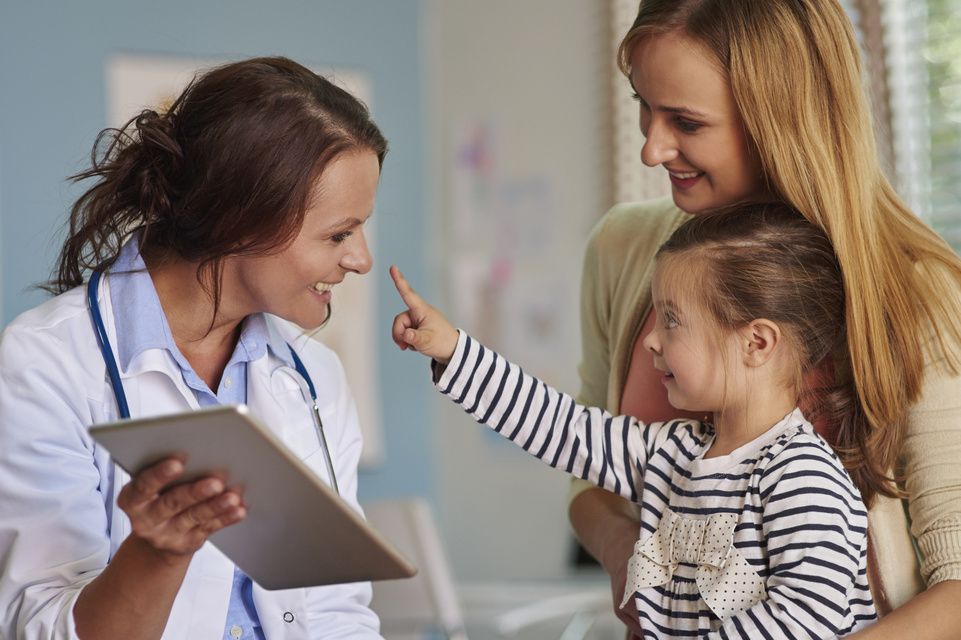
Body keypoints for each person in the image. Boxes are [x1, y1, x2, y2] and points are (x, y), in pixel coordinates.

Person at [568, 1, 961, 638]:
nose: (651, 148)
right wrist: (625, 552)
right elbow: (590, 484)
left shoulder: (915, 291)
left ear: (780, 120)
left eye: (686, 122)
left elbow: (957, 586)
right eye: (644, 104)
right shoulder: (621, 250)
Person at [0, 57, 386, 639]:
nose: (361, 259)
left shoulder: (313, 376)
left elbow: (337, 614)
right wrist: (155, 554)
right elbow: (34, 628)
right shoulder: (46, 363)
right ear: (240, 220)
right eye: (338, 234)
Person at [389, 203, 878, 637]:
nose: (650, 341)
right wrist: (454, 351)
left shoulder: (803, 477)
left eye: (671, 319)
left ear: (756, 343)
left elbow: (805, 618)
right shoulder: (668, 452)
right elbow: (561, 428)